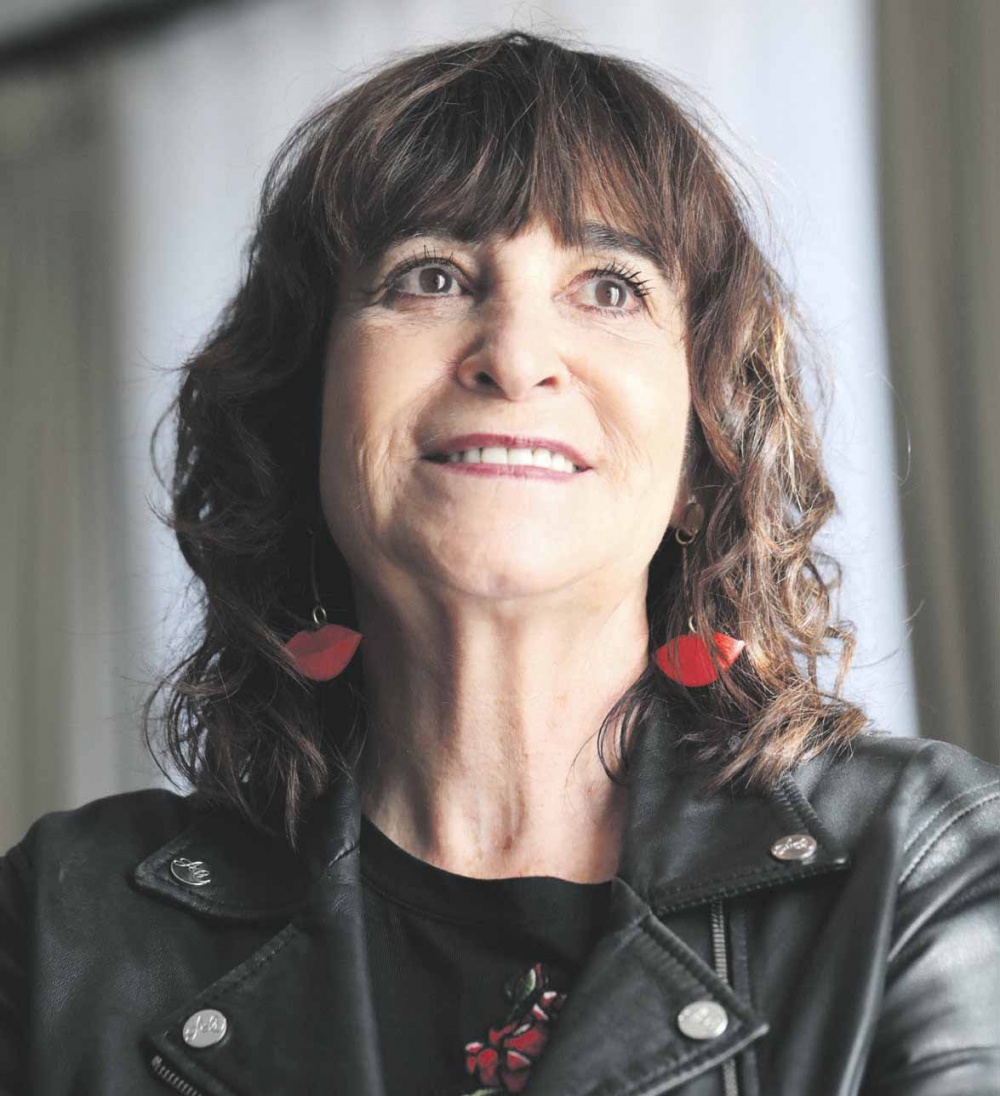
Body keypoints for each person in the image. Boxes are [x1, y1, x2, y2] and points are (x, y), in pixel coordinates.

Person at [1, 29, 997, 1096]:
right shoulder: (63, 925)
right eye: (429, 277)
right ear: (303, 412)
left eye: (610, 288)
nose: (515, 358)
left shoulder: (917, 861)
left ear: (705, 447)